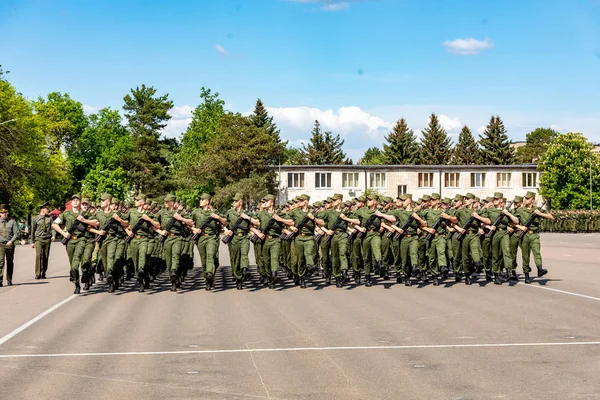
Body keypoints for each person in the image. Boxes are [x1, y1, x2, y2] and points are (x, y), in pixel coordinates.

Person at [31, 201, 55, 279]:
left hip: (47, 239)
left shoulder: (50, 218)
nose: (48, 210)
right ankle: (37, 273)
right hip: (38, 239)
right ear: (42, 209)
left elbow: (53, 228)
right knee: (38, 255)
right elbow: (32, 230)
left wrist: (53, 235)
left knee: (45, 256)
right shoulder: (35, 219)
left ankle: (43, 271)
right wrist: (32, 242)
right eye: (47, 208)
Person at [0, 204, 19, 286]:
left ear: (7, 213)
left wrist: (11, 241)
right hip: (0, 244)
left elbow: (16, 233)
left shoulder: (12, 221)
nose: (4, 214)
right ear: (0, 213)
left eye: (5, 212)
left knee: (10, 262)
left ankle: (9, 279)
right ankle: (0, 280)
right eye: (2, 213)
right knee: (0, 262)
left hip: (10, 244)